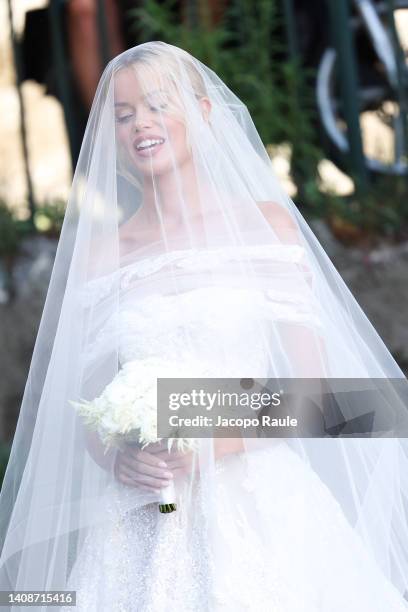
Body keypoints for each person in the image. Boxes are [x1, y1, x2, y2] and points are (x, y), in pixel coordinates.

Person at [1, 41, 408, 611]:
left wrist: (206, 435)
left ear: (203, 112)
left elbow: (329, 401)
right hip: (141, 519)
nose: (140, 123)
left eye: (157, 105)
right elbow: (84, 408)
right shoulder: (100, 256)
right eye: (122, 115)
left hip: (260, 502)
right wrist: (118, 456)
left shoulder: (264, 226)